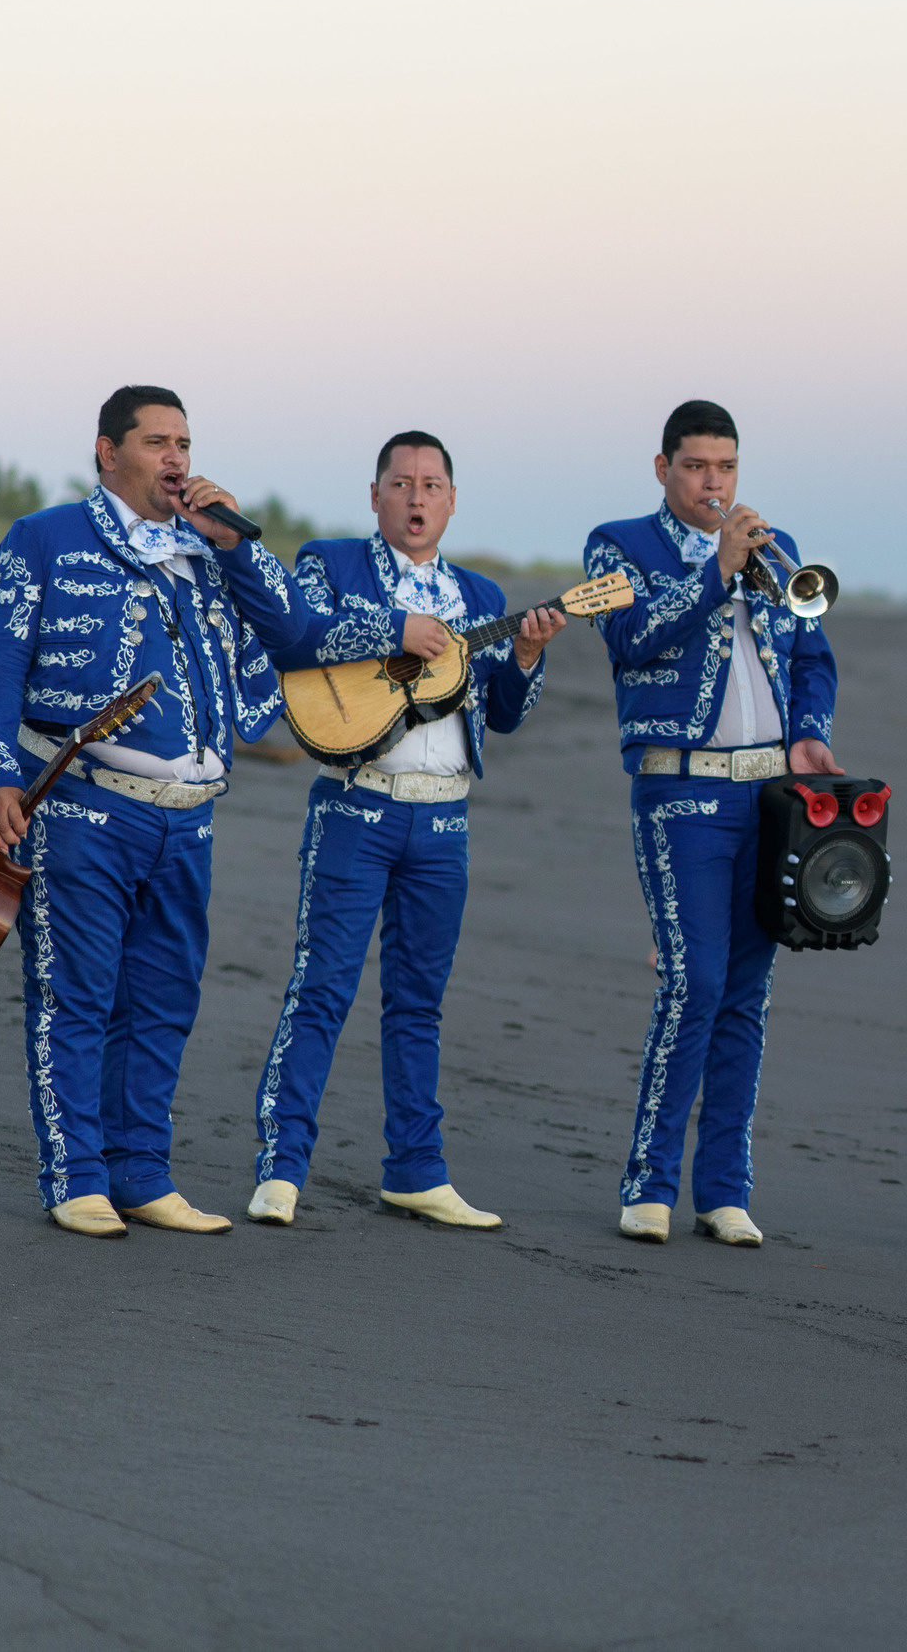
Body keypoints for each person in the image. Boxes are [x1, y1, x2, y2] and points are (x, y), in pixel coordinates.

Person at [0, 385, 306, 1237]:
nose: (177, 458)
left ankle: (143, 1174)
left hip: (189, 816)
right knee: (76, 996)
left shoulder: (209, 545)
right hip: (84, 805)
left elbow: (296, 632)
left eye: (184, 442)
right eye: (157, 441)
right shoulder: (42, 538)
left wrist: (234, 539)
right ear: (106, 451)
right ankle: (77, 1175)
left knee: (163, 998)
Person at [242, 431, 566, 1230]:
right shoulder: (331, 561)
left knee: (419, 1002)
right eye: (401, 483)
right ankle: (281, 1167)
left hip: (446, 816)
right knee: (322, 987)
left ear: (453, 500)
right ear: (376, 494)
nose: (417, 498)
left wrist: (524, 657)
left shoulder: (482, 596)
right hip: (357, 805)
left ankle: (417, 1169)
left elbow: (505, 718)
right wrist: (396, 627)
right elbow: (296, 633)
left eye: (432, 485)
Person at [583, 399, 839, 1247]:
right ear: (663, 469)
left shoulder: (780, 550)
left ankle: (723, 1188)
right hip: (680, 790)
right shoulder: (619, 544)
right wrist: (717, 571)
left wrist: (810, 735)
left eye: (726, 467)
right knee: (692, 981)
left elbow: (813, 656)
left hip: (770, 795)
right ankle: (650, 1181)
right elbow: (630, 639)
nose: (713, 482)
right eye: (696, 466)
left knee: (746, 993)